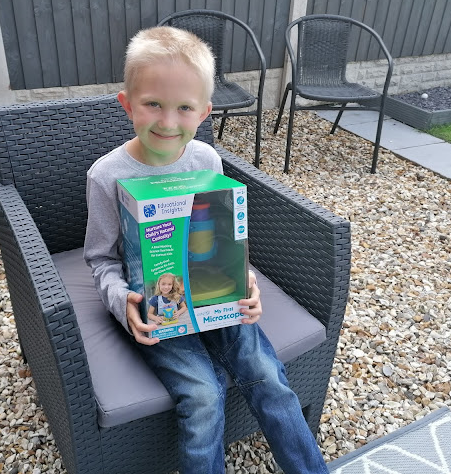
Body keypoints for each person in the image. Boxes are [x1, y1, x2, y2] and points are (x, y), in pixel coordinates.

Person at [84, 26, 328, 474]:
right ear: (127, 104)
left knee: (268, 376)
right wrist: (124, 304)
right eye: (153, 104)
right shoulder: (106, 175)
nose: (168, 122)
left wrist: (247, 282)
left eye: (184, 108)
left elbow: (227, 241)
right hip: (158, 309)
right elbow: (100, 259)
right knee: (201, 395)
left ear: (204, 113)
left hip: (217, 296)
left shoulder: (207, 160)